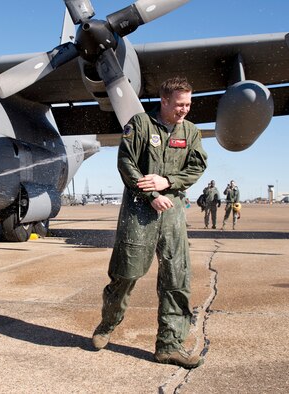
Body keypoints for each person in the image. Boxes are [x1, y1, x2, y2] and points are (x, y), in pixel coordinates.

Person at [91, 77, 207, 369]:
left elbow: (197, 166)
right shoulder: (140, 124)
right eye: (180, 104)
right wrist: (152, 193)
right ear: (165, 101)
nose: (185, 110)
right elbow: (126, 163)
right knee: (126, 274)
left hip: (173, 210)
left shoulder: (191, 132)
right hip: (139, 209)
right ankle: (108, 323)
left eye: (188, 104)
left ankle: (169, 345)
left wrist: (168, 181)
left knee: (176, 278)